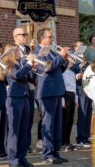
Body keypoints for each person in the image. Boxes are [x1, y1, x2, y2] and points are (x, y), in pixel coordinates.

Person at [34, 28, 69, 164]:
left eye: (52, 37)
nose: (52, 39)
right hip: (46, 92)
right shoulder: (37, 52)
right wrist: (60, 57)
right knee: (48, 124)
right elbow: (47, 68)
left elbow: (59, 69)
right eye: (49, 37)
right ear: (42, 38)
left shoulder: (52, 52)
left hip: (56, 91)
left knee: (57, 124)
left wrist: (65, 60)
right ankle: (47, 154)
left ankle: (56, 152)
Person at [0, 44, 36, 167]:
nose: (20, 54)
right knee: (14, 131)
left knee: (24, 130)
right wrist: (29, 64)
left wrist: (33, 68)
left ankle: (22, 157)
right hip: (14, 100)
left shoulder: (20, 65)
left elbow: (30, 78)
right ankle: (13, 160)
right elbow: (17, 75)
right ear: (12, 53)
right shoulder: (8, 65)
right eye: (18, 52)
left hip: (24, 97)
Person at [13, 27, 36, 153]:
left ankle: (26, 144)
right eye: (23, 34)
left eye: (26, 34)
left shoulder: (27, 49)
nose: (25, 36)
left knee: (29, 117)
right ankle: (16, 146)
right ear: (15, 37)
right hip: (19, 87)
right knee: (18, 120)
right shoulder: (12, 50)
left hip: (29, 86)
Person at [75, 41, 92, 148]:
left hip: (88, 89)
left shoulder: (86, 58)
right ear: (75, 48)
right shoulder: (73, 58)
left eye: (83, 46)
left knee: (88, 114)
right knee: (83, 114)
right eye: (79, 46)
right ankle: (80, 138)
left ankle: (86, 136)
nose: (81, 48)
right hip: (80, 88)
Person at [61, 58, 81, 152]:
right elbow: (62, 87)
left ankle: (68, 141)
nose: (72, 62)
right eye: (70, 61)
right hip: (66, 95)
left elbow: (74, 87)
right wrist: (62, 100)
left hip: (72, 96)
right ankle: (63, 142)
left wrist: (76, 100)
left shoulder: (72, 73)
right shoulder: (63, 73)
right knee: (65, 119)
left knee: (71, 120)